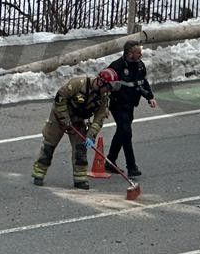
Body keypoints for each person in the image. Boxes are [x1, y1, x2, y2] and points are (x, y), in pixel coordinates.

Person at [32, 69, 115, 189]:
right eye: (107, 87)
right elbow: (60, 98)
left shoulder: (103, 98)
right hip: (59, 117)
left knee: (80, 148)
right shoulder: (77, 84)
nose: (108, 91)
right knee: (49, 145)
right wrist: (65, 118)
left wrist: (91, 135)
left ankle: (80, 178)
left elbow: (99, 117)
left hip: (78, 121)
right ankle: (38, 173)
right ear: (100, 82)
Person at [105, 40, 157, 178]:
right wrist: (104, 106)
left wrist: (150, 97)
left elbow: (142, 82)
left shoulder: (140, 66)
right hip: (118, 105)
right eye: (138, 52)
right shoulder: (117, 66)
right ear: (129, 53)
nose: (141, 54)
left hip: (130, 105)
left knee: (121, 132)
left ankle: (110, 161)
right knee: (126, 133)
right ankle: (132, 167)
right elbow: (104, 86)